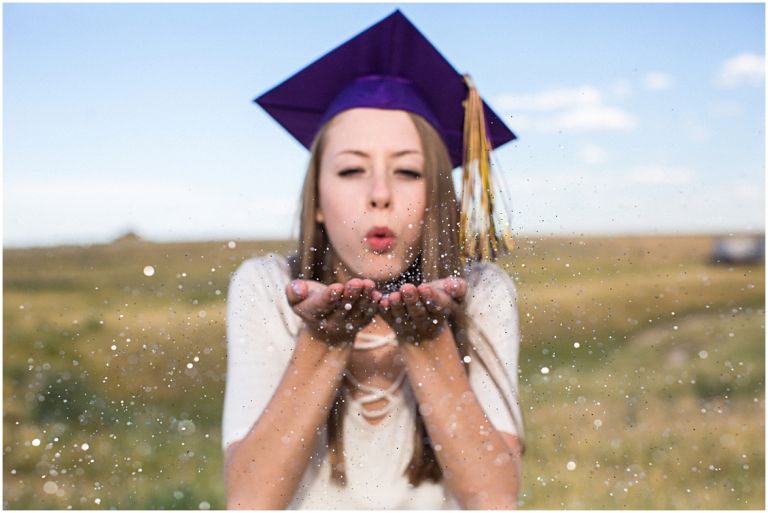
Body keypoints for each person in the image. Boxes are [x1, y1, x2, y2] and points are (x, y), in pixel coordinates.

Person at [222, 10, 524, 509]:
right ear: (316, 198)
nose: (380, 194)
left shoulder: (482, 291)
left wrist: (429, 344)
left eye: (408, 171)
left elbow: (494, 501)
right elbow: (250, 501)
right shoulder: (266, 287)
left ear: (437, 196)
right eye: (351, 170)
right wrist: (322, 341)